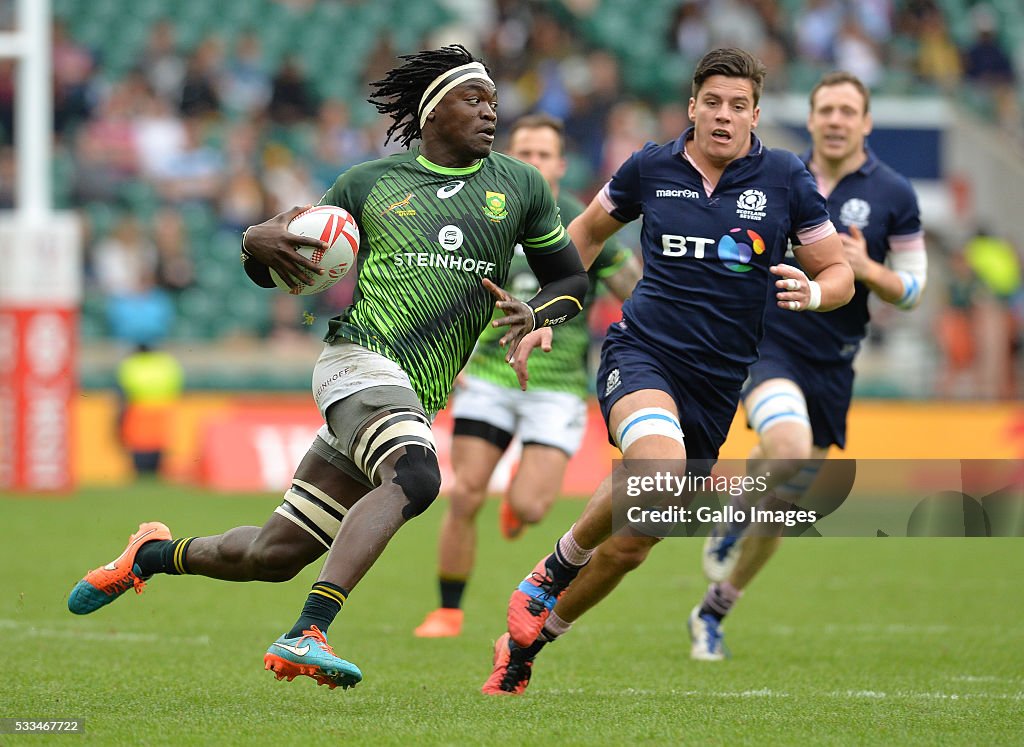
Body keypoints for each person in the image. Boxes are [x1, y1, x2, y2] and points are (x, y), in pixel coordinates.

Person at [67, 44, 589, 691]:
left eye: (493, 100)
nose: (491, 111)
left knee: (272, 553)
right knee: (419, 475)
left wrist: (539, 314)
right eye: (473, 99)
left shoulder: (520, 187)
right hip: (357, 360)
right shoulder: (367, 184)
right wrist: (254, 240)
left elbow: (570, 277)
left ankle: (151, 554)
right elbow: (285, 262)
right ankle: (308, 629)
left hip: (409, 393)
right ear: (431, 114)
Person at [482, 47, 854, 695]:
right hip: (642, 351)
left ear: (755, 115)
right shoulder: (650, 166)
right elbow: (587, 233)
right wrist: (548, 308)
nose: (723, 115)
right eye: (712, 101)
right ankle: (549, 570)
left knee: (631, 547)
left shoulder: (787, 179)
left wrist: (818, 293)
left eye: (738, 106)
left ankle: (531, 640)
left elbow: (839, 271)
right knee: (657, 470)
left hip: (716, 388)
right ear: (692, 107)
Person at [688, 70, 927, 661]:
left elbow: (916, 289)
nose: (837, 120)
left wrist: (869, 270)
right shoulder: (775, 175)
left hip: (835, 363)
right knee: (788, 448)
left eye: (849, 110)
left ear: (866, 122)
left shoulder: (895, 194)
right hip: (771, 345)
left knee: (786, 502)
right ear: (812, 117)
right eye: (827, 109)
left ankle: (715, 607)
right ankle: (736, 516)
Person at [414, 114, 641, 639]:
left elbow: (636, 293)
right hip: (490, 377)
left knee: (533, 505)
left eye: (544, 155)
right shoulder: (481, 220)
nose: (534, 163)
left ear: (561, 165)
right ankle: (448, 610)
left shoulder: (585, 228)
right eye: (525, 154)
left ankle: (518, 509)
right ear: (506, 159)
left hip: (556, 388)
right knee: (466, 492)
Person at [115, 343, 185, 478]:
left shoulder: (132, 363)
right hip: (163, 406)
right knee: (158, 442)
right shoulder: (166, 362)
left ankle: (140, 472)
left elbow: (124, 386)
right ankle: (156, 472)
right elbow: (176, 382)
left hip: (139, 407)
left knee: (139, 442)